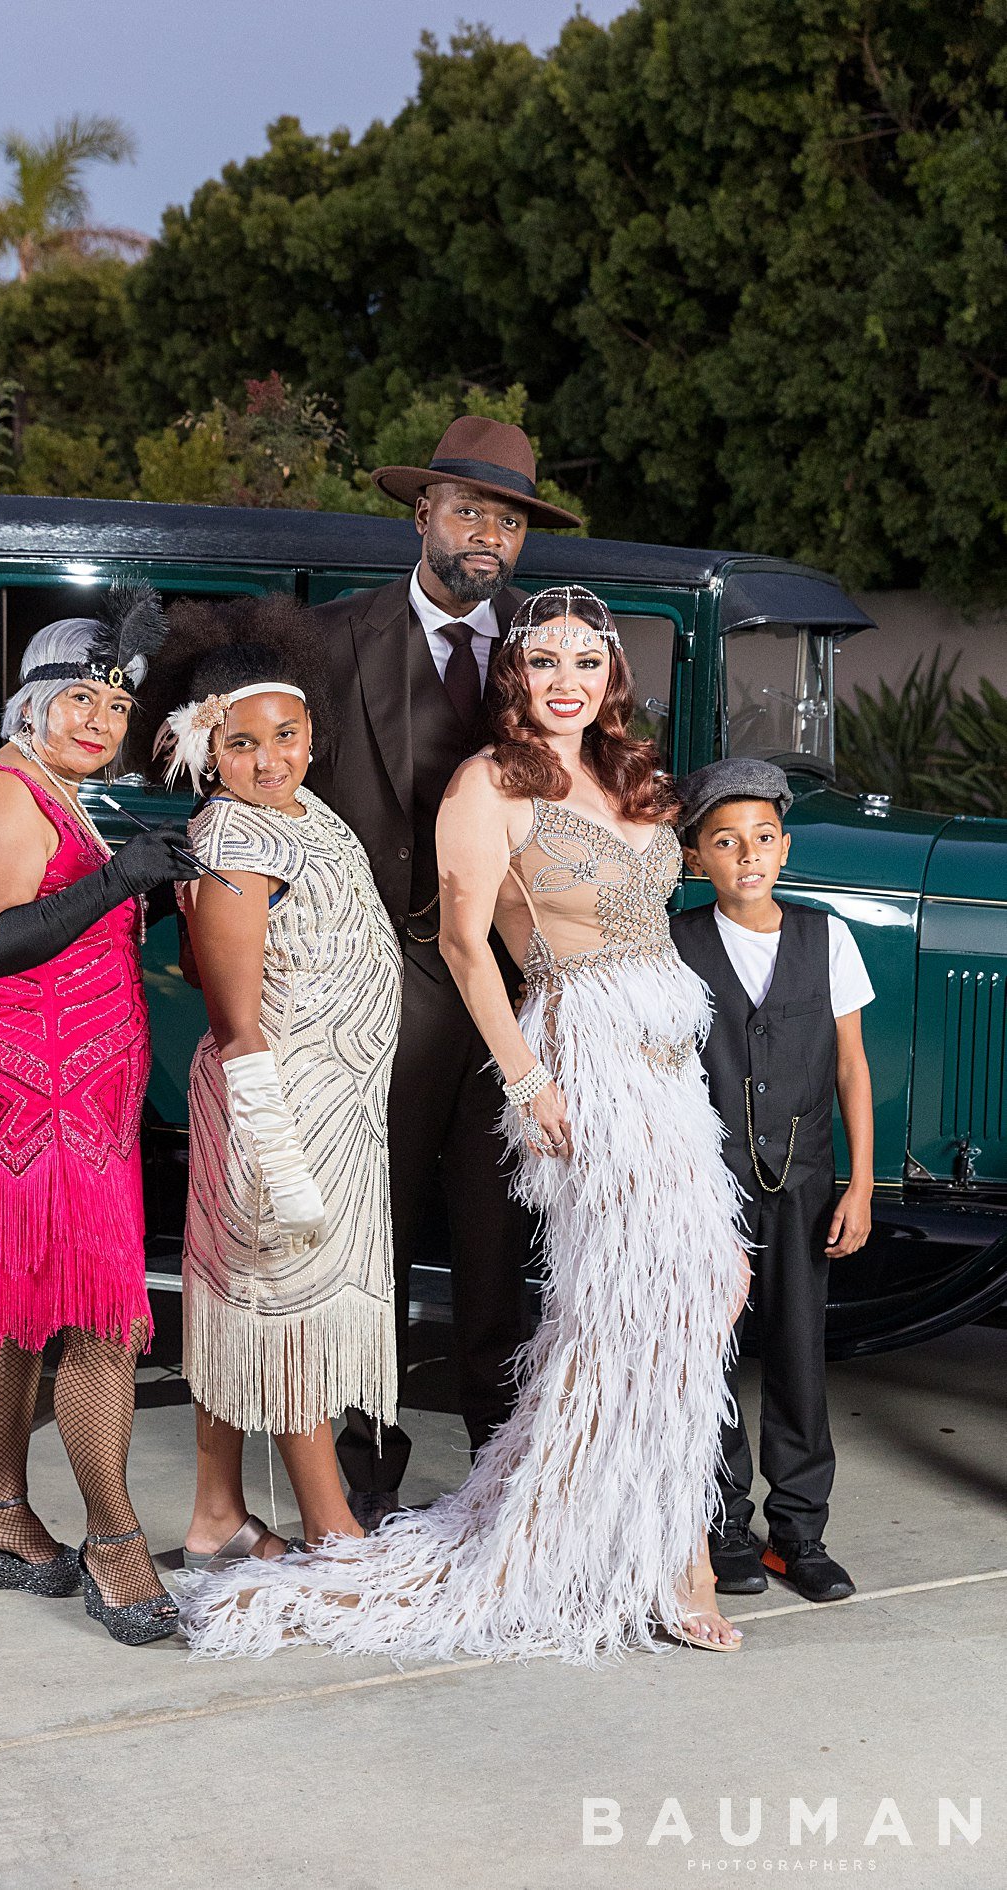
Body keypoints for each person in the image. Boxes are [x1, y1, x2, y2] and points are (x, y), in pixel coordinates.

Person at [175, 586, 749, 1661]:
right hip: (585, 1059)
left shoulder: (635, 775)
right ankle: (632, 1550)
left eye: (588, 662)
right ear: (516, 676)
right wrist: (530, 1080)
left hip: (672, 1068)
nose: (567, 683)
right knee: (624, 1304)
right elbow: (467, 945)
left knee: (709, 1291)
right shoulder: (491, 783)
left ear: (611, 676)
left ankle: (665, 1533)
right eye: (546, 664)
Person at [307, 415, 583, 1528]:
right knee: (370, 1228)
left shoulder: (552, 648)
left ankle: (496, 1468)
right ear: (421, 513)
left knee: (493, 1232)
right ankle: (362, 1473)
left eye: (508, 521)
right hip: (376, 983)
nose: (489, 537)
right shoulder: (332, 642)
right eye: (469, 510)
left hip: (511, 991)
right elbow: (265, 804)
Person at [0, 587, 192, 1646]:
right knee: (98, 1322)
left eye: (117, 706)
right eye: (79, 697)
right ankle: (116, 1542)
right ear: (28, 706)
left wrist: (152, 891)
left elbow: (84, 934)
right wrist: (116, 882)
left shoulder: (55, 794)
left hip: (68, 1096)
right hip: (38, 1101)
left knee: (13, 1308)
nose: (100, 718)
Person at [135, 596, 402, 1569]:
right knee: (287, 1316)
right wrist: (279, 1162)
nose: (270, 760)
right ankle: (335, 1532)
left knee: (241, 1308)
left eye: (286, 736)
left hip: (334, 1105)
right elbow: (234, 1020)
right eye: (242, 746)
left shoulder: (300, 813)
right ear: (208, 751)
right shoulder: (239, 845)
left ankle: (216, 1514)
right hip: (277, 1113)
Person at [670, 759, 874, 1604]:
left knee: (796, 1350)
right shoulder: (676, 944)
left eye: (760, 839)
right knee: (709, 1353)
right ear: (695, 860)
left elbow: (853, 1068)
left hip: (805, 1182)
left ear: (784, 848)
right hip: (706, 1187)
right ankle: (724, 1523)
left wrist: (860, 1184)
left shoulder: (826, 937)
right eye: (725, 842)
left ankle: (799, 1530)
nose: (746, 855)